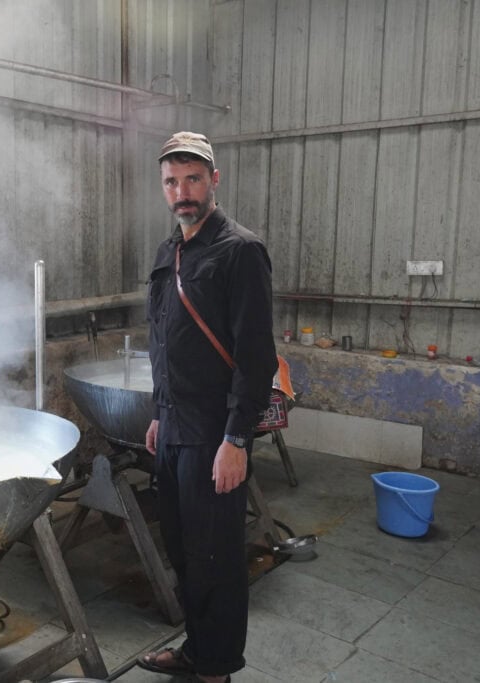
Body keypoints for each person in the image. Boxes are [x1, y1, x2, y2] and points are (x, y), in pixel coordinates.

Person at [137, 131, 277, 683]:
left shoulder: (241, 250)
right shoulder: (167, 252)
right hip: (174, 429)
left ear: (214, 180)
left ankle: (215, 669)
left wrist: (237, 439)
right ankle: (197, 649)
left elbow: (255, 356)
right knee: (183, 552)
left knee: (216, 557)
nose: (182, 191)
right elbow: (164, 338)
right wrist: (157, 411)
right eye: (172, 181)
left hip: (216, 437)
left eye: (193, 178)